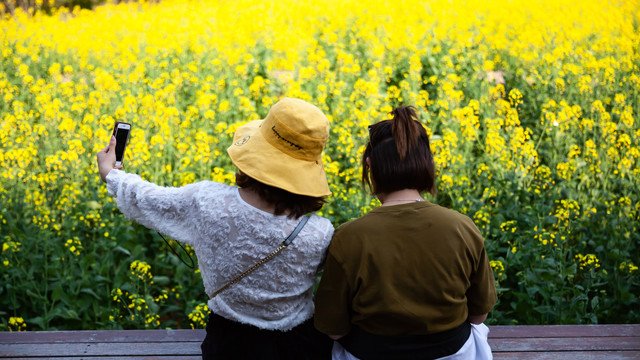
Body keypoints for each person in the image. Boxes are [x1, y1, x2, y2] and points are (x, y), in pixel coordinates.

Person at [97, 97, 335, 360]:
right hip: (299, 348)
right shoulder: (320, 232)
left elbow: (148, 198)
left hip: (228, 345)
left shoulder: (207, 202)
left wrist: (112, 173)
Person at [313, 106, 498, 360]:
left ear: (370, 165)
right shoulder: (462, 227)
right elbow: (479, 315)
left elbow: (333, 330)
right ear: (427, 165)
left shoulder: (349, 237)